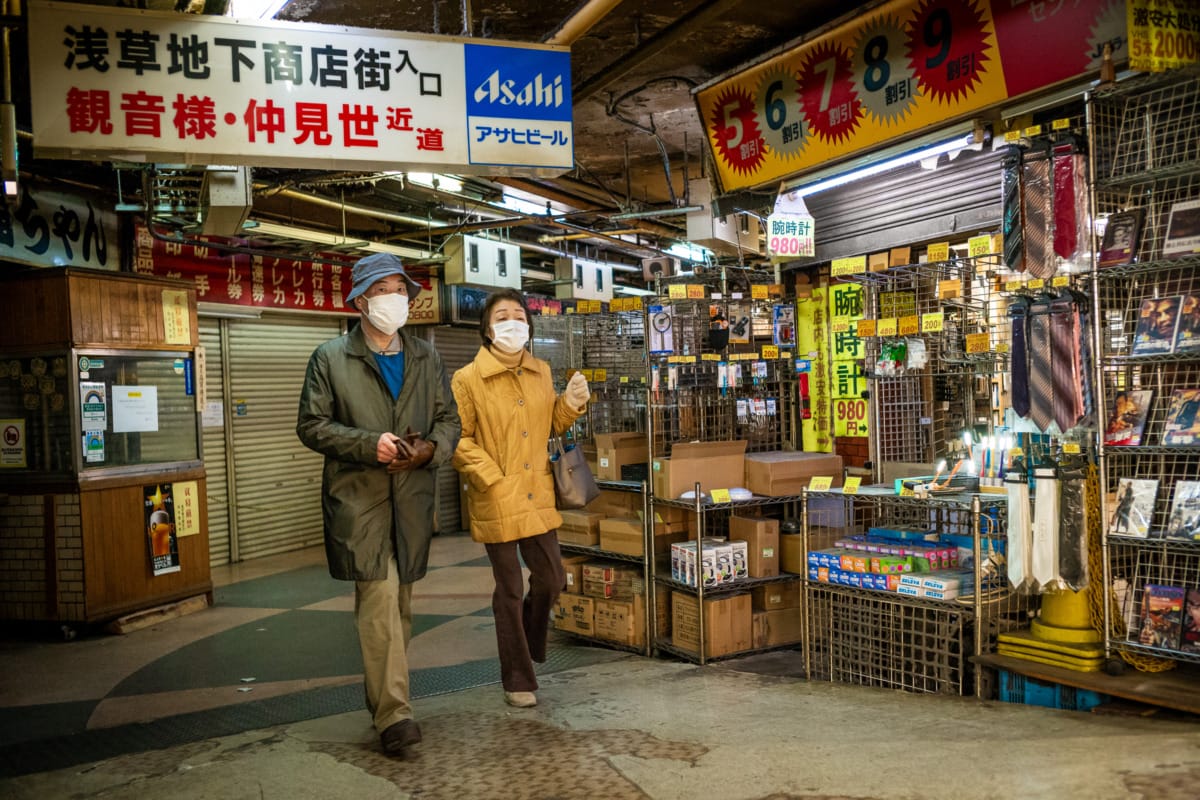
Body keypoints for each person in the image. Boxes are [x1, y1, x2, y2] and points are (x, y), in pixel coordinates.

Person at [296, 252, 461, 757]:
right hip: (360, 500)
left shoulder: (425, 357)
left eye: (400, 289)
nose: (396, 298)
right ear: (361, 299)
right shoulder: (330, 358)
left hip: (411, 499)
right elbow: (312, 425)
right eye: (384, 288)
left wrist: (430, 450)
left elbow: (448, 421)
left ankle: (387, 697)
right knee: (380, 598)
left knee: (401, 606)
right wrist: (370, 445)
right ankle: (394, 714)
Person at [450, 289, 590, 709]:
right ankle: (517, 677)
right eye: (502, 315)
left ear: (528, 325)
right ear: (488, 328)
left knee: (552, 579)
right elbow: (458, 439)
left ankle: (524, 642)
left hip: (538, 493)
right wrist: (492, 477)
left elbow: (551, 424)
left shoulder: (541, 371)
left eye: (518, 315)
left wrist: (571, 404)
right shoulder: (467, 379)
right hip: (496, 494)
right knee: (509, 587)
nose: (512, 321)